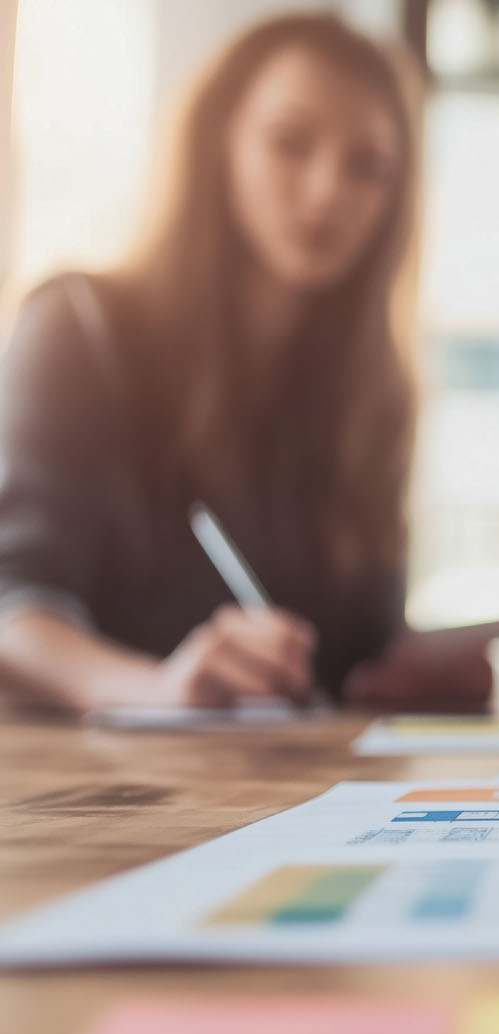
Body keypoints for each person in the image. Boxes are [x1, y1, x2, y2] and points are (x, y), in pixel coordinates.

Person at [0, 14, 471, 712]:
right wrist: (154, 691)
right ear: (219, 143)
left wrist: (427, 674)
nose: (325, 192)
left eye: (366, 166)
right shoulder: (80, 328)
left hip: (290, 789)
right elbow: (17, 609)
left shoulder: (370, 395)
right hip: (104, 792)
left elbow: (356, 649)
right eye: (290, 143)